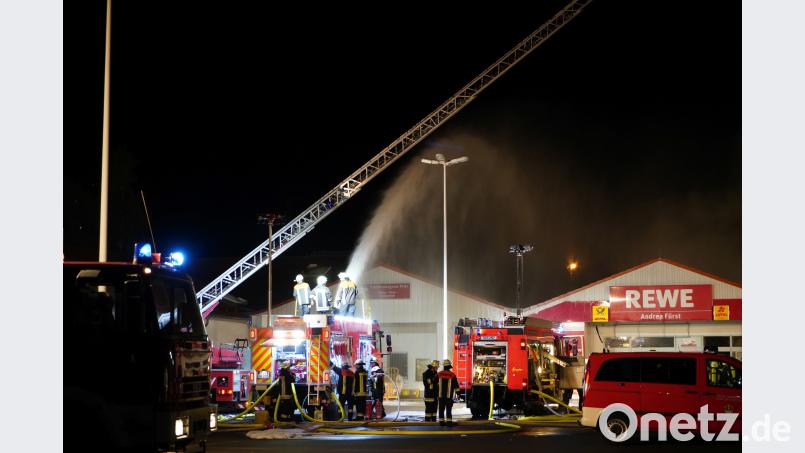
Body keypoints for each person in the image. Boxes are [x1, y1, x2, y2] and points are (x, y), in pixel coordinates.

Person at [437, 359, 460, 426]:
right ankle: (449, 422)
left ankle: (441, 422)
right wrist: (458, 394)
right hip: (448, 396)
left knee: (441, 409)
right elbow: (456, 386)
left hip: (440, 396)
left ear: (444, 366)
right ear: (449, 366)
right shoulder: (452, 375)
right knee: (448, 409)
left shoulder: (439, 374)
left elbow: (434, 382)